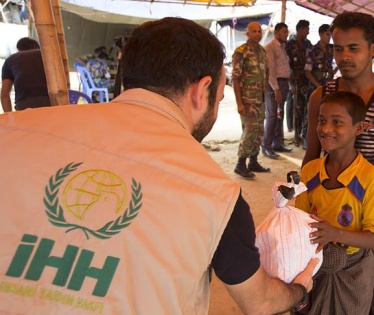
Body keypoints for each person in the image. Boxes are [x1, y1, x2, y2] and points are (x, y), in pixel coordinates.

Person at [0, 17, 318, 314]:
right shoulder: (216, 194)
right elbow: (259, 302)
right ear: (200, 91)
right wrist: (300, 289)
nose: (217, 108)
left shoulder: (9, 131)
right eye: (219, 98)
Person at [302, 12, 374, 315]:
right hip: (328, 202)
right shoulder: (321, 96)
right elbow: (311, 156)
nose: (344, 56)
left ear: (373, 48)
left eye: (354, 48)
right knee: (321, 284)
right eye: (338, 48)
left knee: (372, 294)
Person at [295, 91, 374, 315]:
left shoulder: (368, 178)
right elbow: (300, 222)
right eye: (322, 121)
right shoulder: (310, 171)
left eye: (337, 122)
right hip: (316, 263)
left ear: (360, 127)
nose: (326, 129)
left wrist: (335, 234)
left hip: (353, 267)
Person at [232, 21, 271, 179]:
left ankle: (253, 162)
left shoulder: (262, 51)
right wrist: (239, 103)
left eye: (259, 31)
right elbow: (235, 79)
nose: (257, 34)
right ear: (247, 33)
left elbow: (266, 73)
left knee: (259, 131)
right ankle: (240, 164)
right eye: (254, 31)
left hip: (259, 100)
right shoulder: (241, 52)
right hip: (247, 101)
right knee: (250, 131)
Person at [262, 22, 293, 159]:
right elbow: (270, 70)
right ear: (276, 33)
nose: (286, 34)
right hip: (274, 84)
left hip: (283, 83)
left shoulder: (282, 47)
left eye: (287, 32)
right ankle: (266, 146)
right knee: (272, 115)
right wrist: (276, 88)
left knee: (279, 115)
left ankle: (277, 143)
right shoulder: (271, 47)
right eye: (284, 32)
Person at [1, 37, 51, 112]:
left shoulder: (10, 60)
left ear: (18, 49)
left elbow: (4, 95)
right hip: (50, 101)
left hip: (24, 103)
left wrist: (9, 117)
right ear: (37, 47)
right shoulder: (47, 55)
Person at [286, 19, 313, 149]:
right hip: (295, 80)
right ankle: (296, 135)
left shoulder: (308, 44)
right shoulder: (290, 44)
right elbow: (286, 64)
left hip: (307, 80)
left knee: (307, 108)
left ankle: (304, 135)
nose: (308, 31)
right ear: (300, 29)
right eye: (306, 29)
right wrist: (291, 83)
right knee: (297, 108)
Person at [305, 24, 336, 93]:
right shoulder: (312, 50)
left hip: (329, 84)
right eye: (327, 34)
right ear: (321, 34)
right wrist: (318, 86)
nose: (329, 37)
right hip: (316, 86)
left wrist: (334, 71)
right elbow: (308, 72)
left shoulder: (332, 48)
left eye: (330, 35)